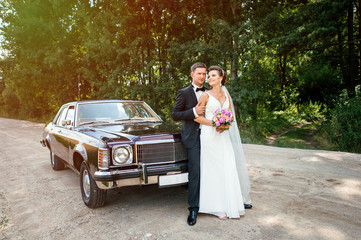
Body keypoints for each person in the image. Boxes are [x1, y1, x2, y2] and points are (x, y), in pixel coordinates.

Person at [194, 65, 252, 219]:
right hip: (209, 136)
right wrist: (215, 123)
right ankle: (216, 207)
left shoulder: (227, 96)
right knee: (213, 169)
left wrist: (225, 124)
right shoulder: (205, 96)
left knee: (227, 166)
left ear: (221, 78)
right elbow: (197, 117)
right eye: (209, 76)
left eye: (213, 75)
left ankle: (230, 203)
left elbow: (230, 116)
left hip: (223, 136)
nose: (210, 78)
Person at [172, 62, 208, 226]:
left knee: (213, 169)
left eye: (204, 73)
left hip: (211, 137)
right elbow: (175, 114)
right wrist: (193, 111)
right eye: (199, 73)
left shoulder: (209, 91)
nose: (202, 76)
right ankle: (193, 208)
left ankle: (217, 202)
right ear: (192, 74)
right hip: (193, 137)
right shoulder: (184, 93)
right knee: (195, 171)